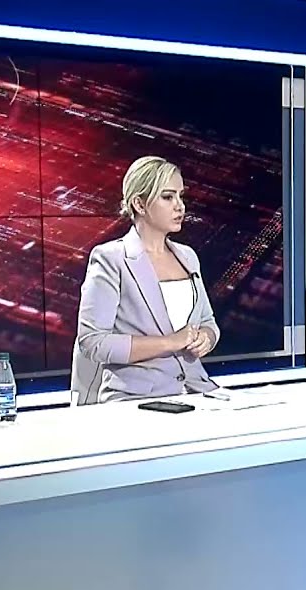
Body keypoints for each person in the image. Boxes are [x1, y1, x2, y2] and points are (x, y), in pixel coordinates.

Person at [70, 156, 220, 404]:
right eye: (167, 197)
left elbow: (208, 322)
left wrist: (206, 338)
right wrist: (169, 342)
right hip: (135, 398)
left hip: (197, 391)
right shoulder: (111, 259)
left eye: (181, 196)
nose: (180, 206)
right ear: (139, 204)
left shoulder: (188, 257)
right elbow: (93, 342)